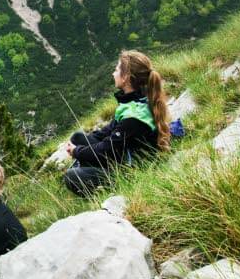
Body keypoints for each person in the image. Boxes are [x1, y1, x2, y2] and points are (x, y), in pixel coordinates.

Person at [61, 49, 170, 197]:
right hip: (120, 154)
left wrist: (77, 152)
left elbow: (107, 149)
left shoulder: (134, 118)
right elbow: (106, 132)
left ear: (126, 78)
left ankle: (108, 187)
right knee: (78, 137)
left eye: (117, 69)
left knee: (72, 177)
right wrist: (79, 147)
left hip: (130, 172)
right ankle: (89, 168)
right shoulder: (134, 102)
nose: (113, 73)